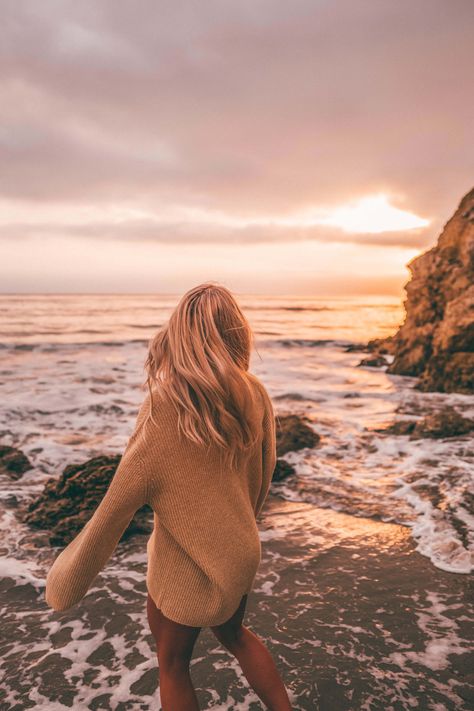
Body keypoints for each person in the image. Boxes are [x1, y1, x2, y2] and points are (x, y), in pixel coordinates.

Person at [45, 281, 292, 710]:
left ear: (180, 332)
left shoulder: (165, 405)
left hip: (186, 564)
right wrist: (239, 523)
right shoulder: (255, 393)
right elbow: (266, 472)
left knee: (173, 663)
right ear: (236, 333)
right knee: (236, 637)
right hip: (239, 550)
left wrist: (70, 576)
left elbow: (119, 498)